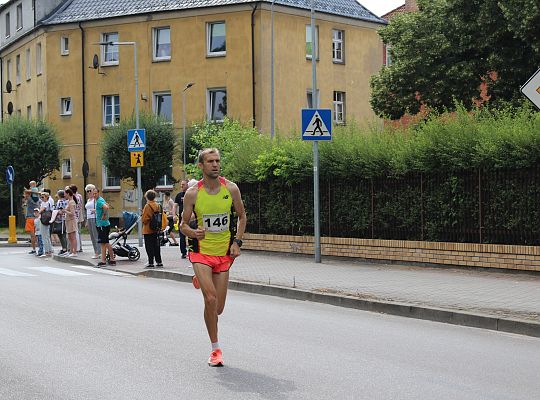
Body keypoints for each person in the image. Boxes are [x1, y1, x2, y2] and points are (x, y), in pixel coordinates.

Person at [180, 148, 247, 367]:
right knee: (209, 299)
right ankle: (215, 349)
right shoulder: (192, 193)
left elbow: (242, 216)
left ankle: (202, 279)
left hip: (223, 254)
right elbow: (182, 225)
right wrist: (192, 232)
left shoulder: (231, 189)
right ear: (201, 166)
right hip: (200, 252)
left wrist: (237, 242)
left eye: (218, 160)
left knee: (218, 308)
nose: (215, 164)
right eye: (210, 161)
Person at [142, 189, 165, 268]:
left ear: (147, 197)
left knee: (149, 246)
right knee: (156, 246)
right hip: (157, 229)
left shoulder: (147, 206)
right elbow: (163, 216)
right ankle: (159, 261)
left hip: (148, 229)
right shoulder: (158, 205)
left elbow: (144, 219)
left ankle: (151, 262)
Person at [95, 188, 116, 267]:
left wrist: (104, 215)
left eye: (95, 193)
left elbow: (106, 207)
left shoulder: (99, 201)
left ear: (98, 193)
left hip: (102, 225)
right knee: (105, 243)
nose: (94, 195)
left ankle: (105, 260)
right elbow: (106, 206)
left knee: (104, 243)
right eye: (92, 194)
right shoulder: (100, 199)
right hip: (104, 224)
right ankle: (110, 259)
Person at [85, 184, 101, 259]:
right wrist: (86, 221)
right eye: (87, 191)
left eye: (90, 191)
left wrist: (95, 211)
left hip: (94, 218)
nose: (88, 192)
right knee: (92, 236)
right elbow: (87, 210)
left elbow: (102, 207)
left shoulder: (96, 199)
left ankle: (99, 252)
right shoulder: (88, 200)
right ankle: (96, 252)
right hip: (89, 218)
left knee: (96, 235)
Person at [173, 180, 189, 258]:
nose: (181, 186)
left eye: (183, 184)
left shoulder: (191, 194)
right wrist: (174, 215)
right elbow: (175, 205)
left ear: (187, 185)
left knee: (191, 236)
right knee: (182, 236)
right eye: (181, 185)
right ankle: (183, 252)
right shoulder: (179, 195)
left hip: (191, 220)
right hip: (182, 219)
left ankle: (192, 251)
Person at [24, 186, 40, 254]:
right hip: (36, 218)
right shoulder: (38, 199)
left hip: (30, 218)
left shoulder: (29, 199)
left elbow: (27, 194)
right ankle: (40, 248)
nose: (24, 195)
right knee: (37, 235)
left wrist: (27, 190)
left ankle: (34, 249)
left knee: (32, 235)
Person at [69, 185, 84, 252]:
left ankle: (76, 248)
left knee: (74, 233)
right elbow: (81, 205)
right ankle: (79, 247)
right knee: (78, 232)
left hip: (74, 216)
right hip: (78, 215)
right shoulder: (79, 196)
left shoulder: (73, 197)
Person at [64, 188, 78, 257]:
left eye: (65, 194)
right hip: (68, 221)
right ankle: (71, 251)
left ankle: (74, 252)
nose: (64, 195)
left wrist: (65, 211)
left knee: (73, 237)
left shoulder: (71, 202)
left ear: (68, 194)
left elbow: (72, 213)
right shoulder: (69, 201)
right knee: (69, 237)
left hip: (71, 221)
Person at [38, 191, 54, 258]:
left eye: (43, 197)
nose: (41, 198)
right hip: (47, 220)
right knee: (47, 236)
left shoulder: (45, 203)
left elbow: (41, 211)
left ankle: (47, 251)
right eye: (41, 196)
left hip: (44, 220)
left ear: (46, 197)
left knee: (44, 236)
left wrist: (39, 211)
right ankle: (49, 250)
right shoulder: (47, 202)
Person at [55, 190, 69, 255]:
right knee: (61, 234)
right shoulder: (65, 201)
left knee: (62, 234)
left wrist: (55, 212)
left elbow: (61, 211)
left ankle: (64, 248)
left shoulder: (60, 202)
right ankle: (64, 248)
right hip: (63, 219)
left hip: (61, 220)